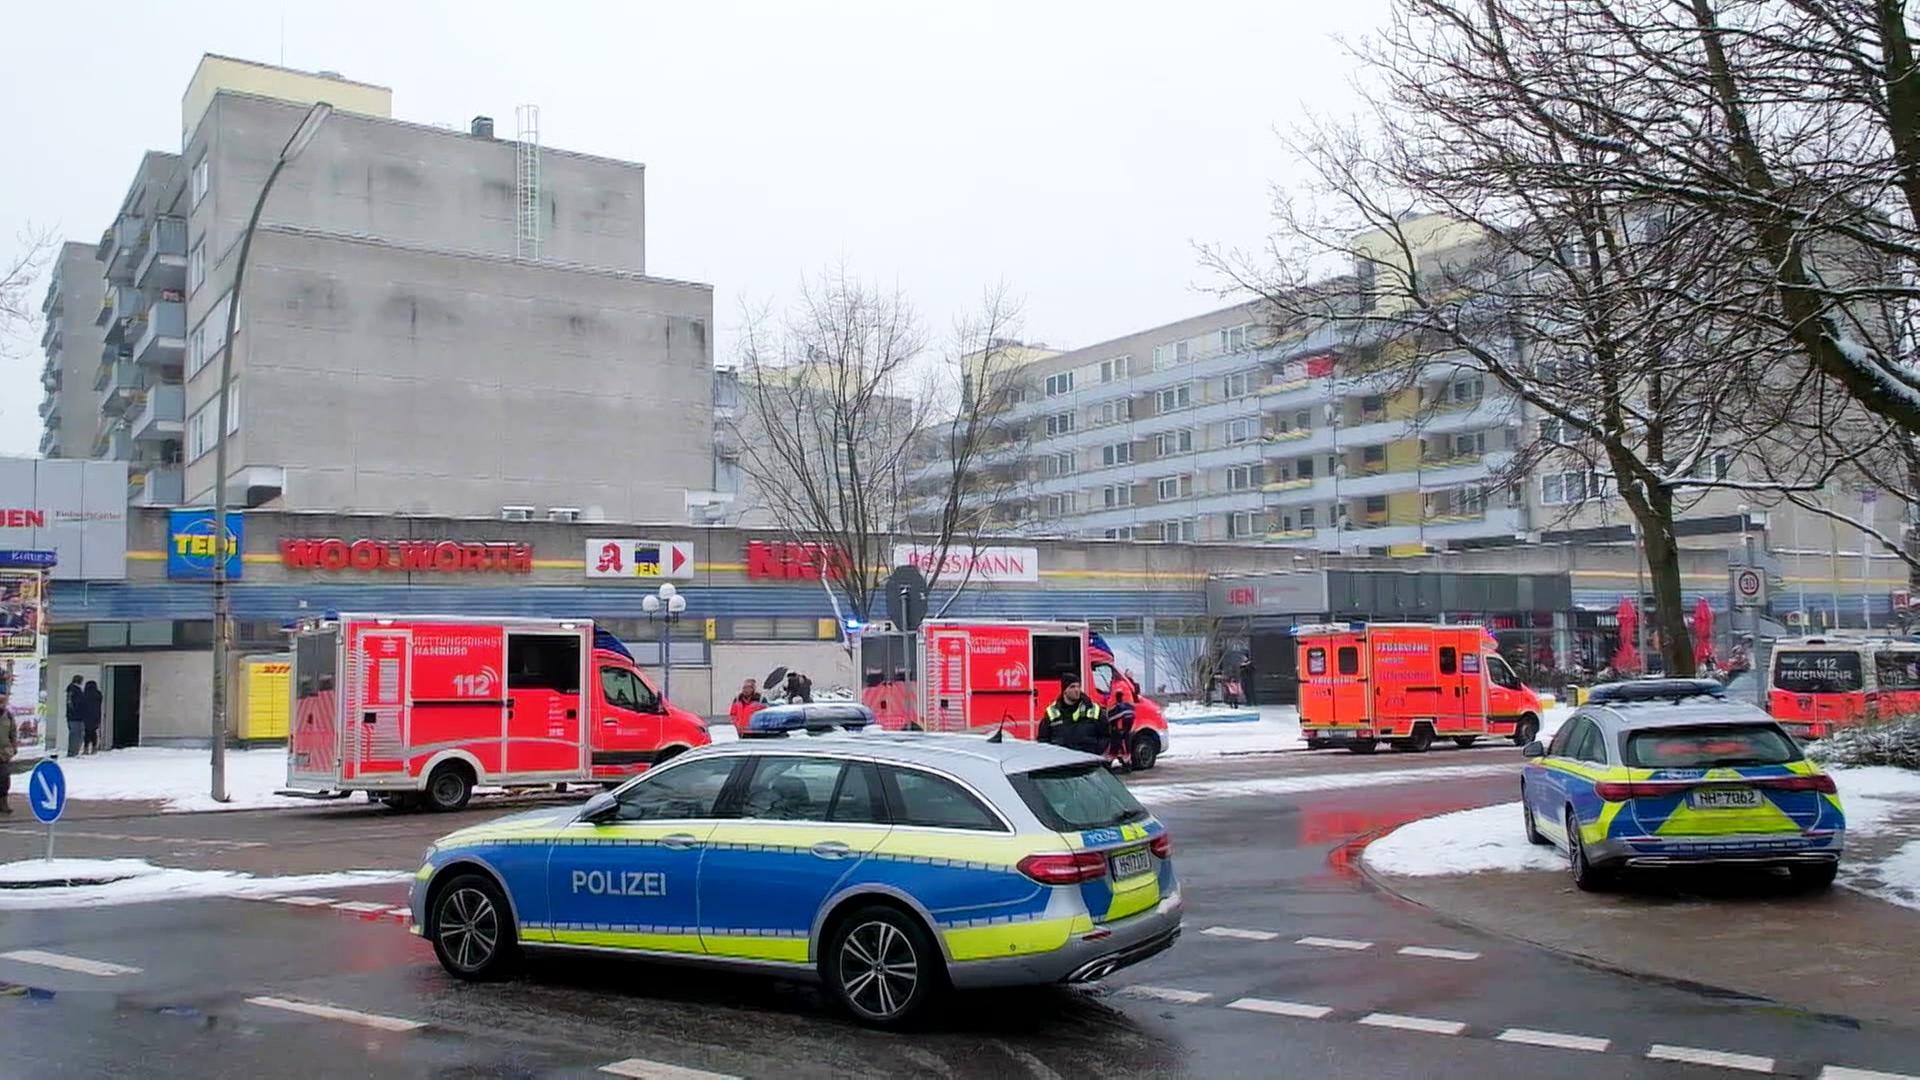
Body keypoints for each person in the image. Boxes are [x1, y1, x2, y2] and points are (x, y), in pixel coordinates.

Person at [1037, 674, 1106, 755]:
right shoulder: (1052, 712)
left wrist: (1096, 752)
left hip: (1088, 759)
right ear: (1064, 691)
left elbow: (1105, 736)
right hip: (1062, 760)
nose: (1077, 690)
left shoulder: (1093, 709)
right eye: (1072, 687)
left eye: (1078, 686)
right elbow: (1043, 739)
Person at [0, 681, 15, 813]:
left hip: (4, 753)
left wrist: (13, 748)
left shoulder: (8, 716)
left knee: (4, 779)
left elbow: (13, 733)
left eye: (3, 701)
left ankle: (3, 802)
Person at [81, 680, 104, 755]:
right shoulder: (98, 694)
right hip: (96, 716)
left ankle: (86, 748)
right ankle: (94, 748)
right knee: (93, 732)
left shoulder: (85, 694)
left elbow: (82, 705)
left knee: (87, 733)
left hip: (86, 716)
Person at [66, 677, 87, 759]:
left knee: (77, 734)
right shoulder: (74, 690)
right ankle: (73, 752)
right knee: (76, 735)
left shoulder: (72, 689)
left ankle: (74, 752)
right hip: (75, 717)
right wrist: (76, 711)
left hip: (75, 716)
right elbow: (72, 703)